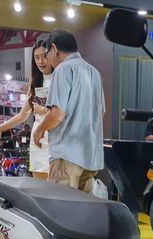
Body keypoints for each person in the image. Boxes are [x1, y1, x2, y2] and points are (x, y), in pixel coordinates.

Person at [33, 29, 105, 192]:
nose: (46, 59)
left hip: (66, 155)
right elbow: (100, 113)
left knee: (60, 205)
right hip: (90, 157)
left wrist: (39, 131)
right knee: (82, 205)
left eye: (46, 54)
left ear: (54, 49)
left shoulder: (63, 69)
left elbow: (57, 114)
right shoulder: (94, 72)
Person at [0, 39, 54, 179]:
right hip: (38, 139)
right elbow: (22, 115)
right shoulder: (35, 81)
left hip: (57, 138)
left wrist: (45, 112)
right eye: (36, 57)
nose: (40, 61)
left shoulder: (60, 78)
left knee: (58, 186)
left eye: (44, 56)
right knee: (40, 186)